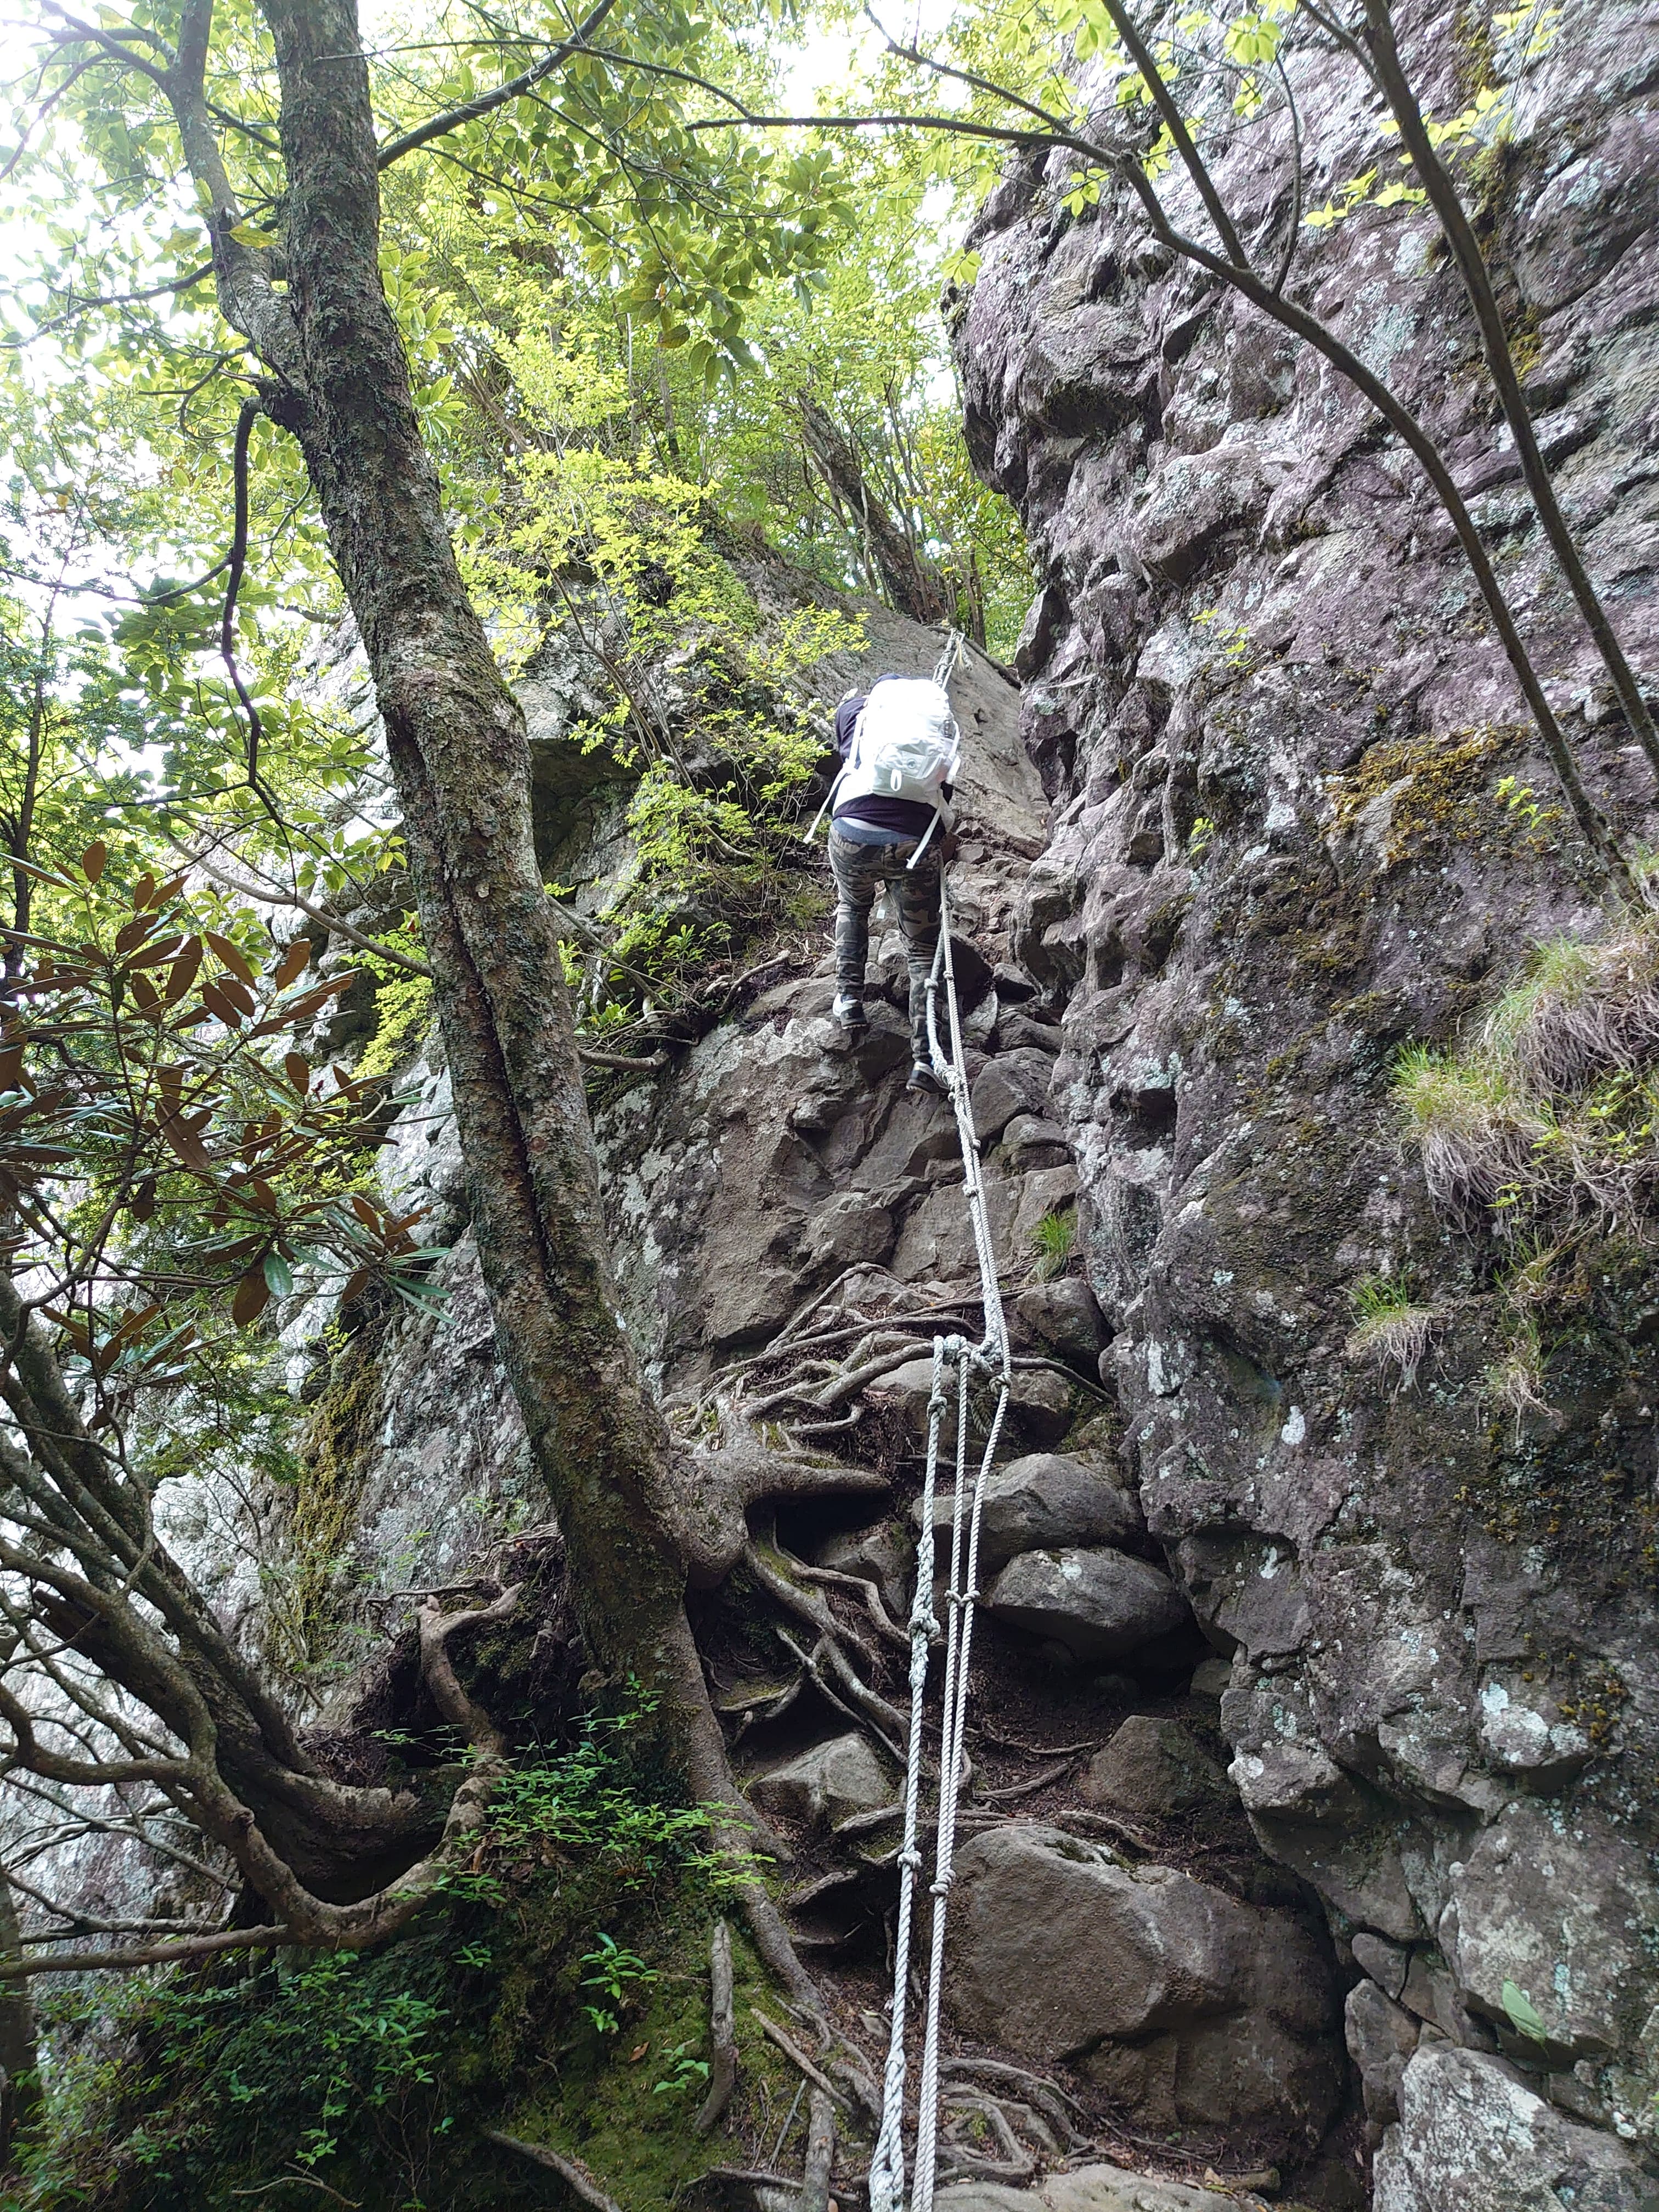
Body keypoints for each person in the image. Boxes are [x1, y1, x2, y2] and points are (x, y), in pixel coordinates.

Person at [825, 681, 957, 1096]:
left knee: (853, 906)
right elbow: (945, 789)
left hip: (852, 833)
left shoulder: (861, 712)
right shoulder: (940, 729)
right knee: (921, 951)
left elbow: (843, 750)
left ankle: (848, 1000)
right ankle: (925, 1060)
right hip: (912, 846)